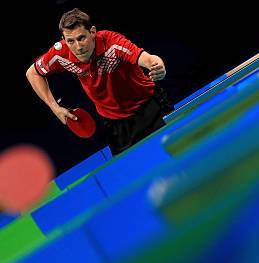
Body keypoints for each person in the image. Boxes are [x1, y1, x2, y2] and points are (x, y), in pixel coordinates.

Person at [26, 8, 174, 155]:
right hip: (116, 125)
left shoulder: (112, 42)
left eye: (81, 38)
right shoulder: (60, 54)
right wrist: (55, 107)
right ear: (64, 40)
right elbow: (32, 73)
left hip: (150, 107)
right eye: (70, 41)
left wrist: (158, 66)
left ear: (92, 32)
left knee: (178, 154)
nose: (78, 47)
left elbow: (148, 59)